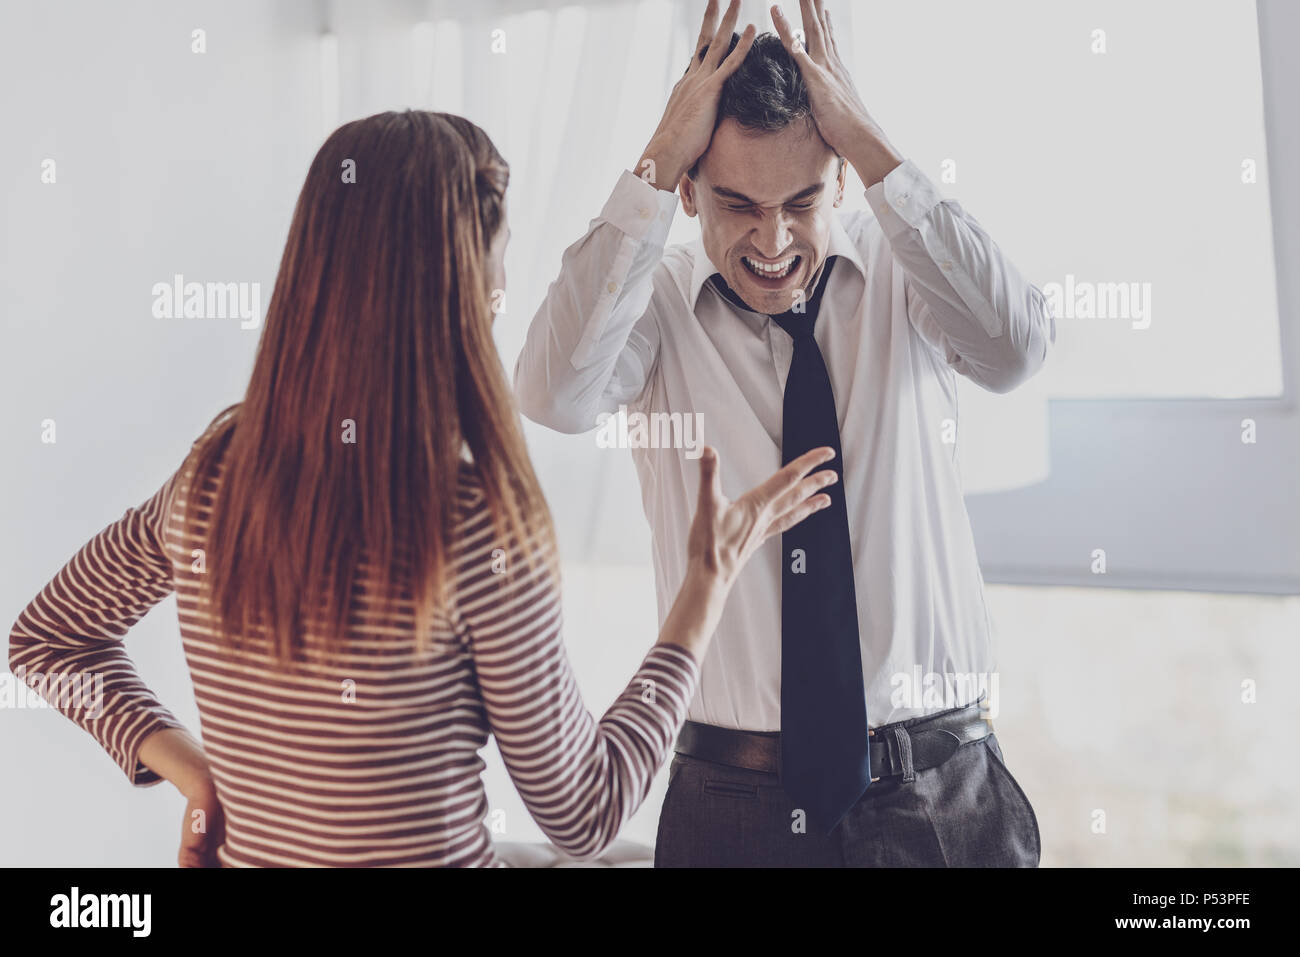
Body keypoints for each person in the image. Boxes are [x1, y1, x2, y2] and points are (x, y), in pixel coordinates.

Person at [8, 109, 837, 867]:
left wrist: (201, 777)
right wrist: (703, 590)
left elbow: (44, 640)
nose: (506, 286)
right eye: (501, 253)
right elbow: (584, 812)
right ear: (465, 279)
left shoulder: (213, 473)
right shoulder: (471, 521)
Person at [514, 0, 1055, 866]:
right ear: (689, 192)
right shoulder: (650, 308)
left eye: (801, 200)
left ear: (839, 179)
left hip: (940, 794)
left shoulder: (901, 271)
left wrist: (870, 139)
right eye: (736, 203)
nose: (773, 240)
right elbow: (552, 392)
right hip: (731, 804)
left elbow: (1017, 347)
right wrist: (657, 156)